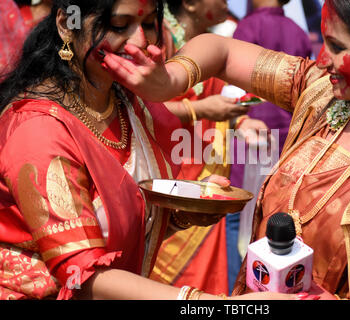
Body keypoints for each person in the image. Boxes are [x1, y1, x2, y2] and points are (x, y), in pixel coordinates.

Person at [102, 0, 350, 299]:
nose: (322, 59)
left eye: (338, 47)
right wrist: (169, 81)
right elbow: (221, 52)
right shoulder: (320, 95)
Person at [0, 0, 302, 300]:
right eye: (119, 26)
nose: (140, 42)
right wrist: (214, 307)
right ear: (68, 24)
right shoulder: (37, 128)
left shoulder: (126, 104)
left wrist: (188, 210)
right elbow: (82, 277)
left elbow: (128, 226)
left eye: (147, 25)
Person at [150, 0, 258, 296]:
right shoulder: (161, 39)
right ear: (191, 4)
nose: (227, 2)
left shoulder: (208, 44)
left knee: (204, 281)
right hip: (173, 175)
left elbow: (212, 104)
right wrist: (202, 109)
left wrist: (241, 121)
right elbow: (142, 109)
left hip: (205, 174)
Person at [225, 0, 313, 292]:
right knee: (274, 214)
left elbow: (235, 90)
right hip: (287, 140)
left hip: (251, 136)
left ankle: (235, 291)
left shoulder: (248, 27)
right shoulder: (298, 32)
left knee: (237, 214)